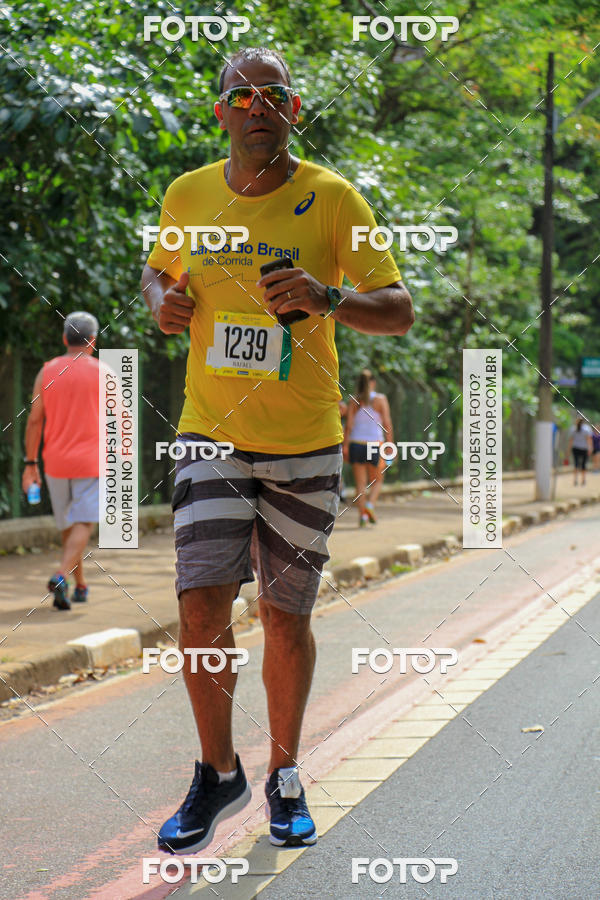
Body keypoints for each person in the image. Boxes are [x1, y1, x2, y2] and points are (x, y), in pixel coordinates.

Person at [141, 46, 414, 854]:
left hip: (304, 442)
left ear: (293, 111)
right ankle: (216, 771)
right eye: (241, 95)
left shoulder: (331, 198)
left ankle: (285, 776)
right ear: (220, 111)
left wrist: (330, 296)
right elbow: (155, 272)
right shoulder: (187, 194)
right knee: (199, 606)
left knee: (284, 615)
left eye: (274, 95)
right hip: (210, 434)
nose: (257, 106)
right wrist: (164, 300)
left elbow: (398, 310)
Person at [22, 312, 101, 610]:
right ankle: (60, 575)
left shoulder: (46, 371)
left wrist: (30, 463)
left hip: (54, 462)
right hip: (91, 462)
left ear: (64, 339)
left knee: (69, 527)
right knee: (83, 522)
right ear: (92, 342)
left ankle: (79, 585)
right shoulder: (105, 373)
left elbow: (34, 421)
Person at [343, 369, 393, 526]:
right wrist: (390, 445)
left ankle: (362, 517)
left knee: (360, 484)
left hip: (356, 444)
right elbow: (387, 424)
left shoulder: (354, 401)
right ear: (373, 383)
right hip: (375, 445)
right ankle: (370, 506)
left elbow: (349, 426)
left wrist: (345, 446)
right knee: (377, 480)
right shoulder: (380, 400)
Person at [567, 417, 593, 485]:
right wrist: (590, 448)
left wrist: (568, 450)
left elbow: (571, 440)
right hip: (584, 449)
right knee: (583, 465)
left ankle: (575, 480)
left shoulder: (573, 429)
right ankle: (583, 480)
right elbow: (588, 440)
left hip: (575, 448)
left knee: (576, 464)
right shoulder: (587, 429)